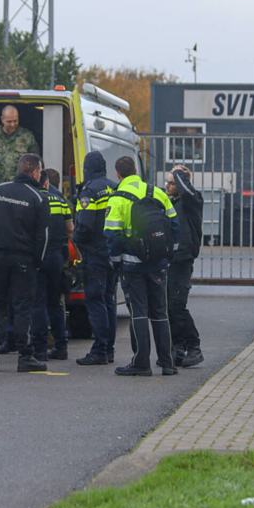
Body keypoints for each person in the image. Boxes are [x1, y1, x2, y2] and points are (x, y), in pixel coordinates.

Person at [105, 156, 180, 377]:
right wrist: (169, 257)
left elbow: (112, 235)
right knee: (160, 312)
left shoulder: (117, 198)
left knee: (138, 313)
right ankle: (167, 363)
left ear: (118, 175)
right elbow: (174, 227)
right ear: (136, 170)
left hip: (132, 265)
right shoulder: (158, 192)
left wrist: (117, 264)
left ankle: (141, 363)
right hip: (158, 264)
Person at [0, 153, 50, 373]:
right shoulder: (38, 197)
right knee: (22, 307)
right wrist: (37, 260)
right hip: (24, 259)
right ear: (36, 172)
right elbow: (43, 236)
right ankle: (25, 356)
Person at [72, 151, 119, 366]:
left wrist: (76, 240)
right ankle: (108, 349)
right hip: (113, 251)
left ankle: (99, 349)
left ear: (87, 169)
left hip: (95, 253)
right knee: (109, 299)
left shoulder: (89, 190)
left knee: (94, 299)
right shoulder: (115, 186)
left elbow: (85, 223)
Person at [165, 165, 205, 368]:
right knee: (168, 305)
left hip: (182, 260)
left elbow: (188, 191)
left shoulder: (192, 201)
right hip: (169, 260)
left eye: (172, 183)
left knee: (177, 305)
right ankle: (177, 347)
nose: (167, 186)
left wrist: (179, 173)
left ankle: (194, 347)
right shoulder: (171, 203)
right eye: (168, 182)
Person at [30, 168, 72, 361]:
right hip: (57, 256)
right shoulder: (61, 201)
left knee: (38, 302)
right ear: (47, 183)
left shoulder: (31, 199)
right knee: (55, 302)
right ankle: (61, 346)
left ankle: (39, 348)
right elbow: (70, 229)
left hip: (37, 257)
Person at [0, 105, 40, 190]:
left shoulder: (27, 137)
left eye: (15, 121)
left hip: (20, 189)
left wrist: (31, 185)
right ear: (2, 119)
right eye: (9, 122)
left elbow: (35, 163)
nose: (13, 124)